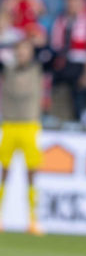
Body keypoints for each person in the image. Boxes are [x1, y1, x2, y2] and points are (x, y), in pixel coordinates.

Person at [0, 40, 45, 235]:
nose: (21, 55)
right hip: (9, 124)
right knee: (4, 172)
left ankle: (32, 220)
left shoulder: (38, 69)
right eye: (19, 51)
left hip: (29, 125)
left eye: (25, 51)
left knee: (32, 173)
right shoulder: (7, 70)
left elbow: (53, 52)